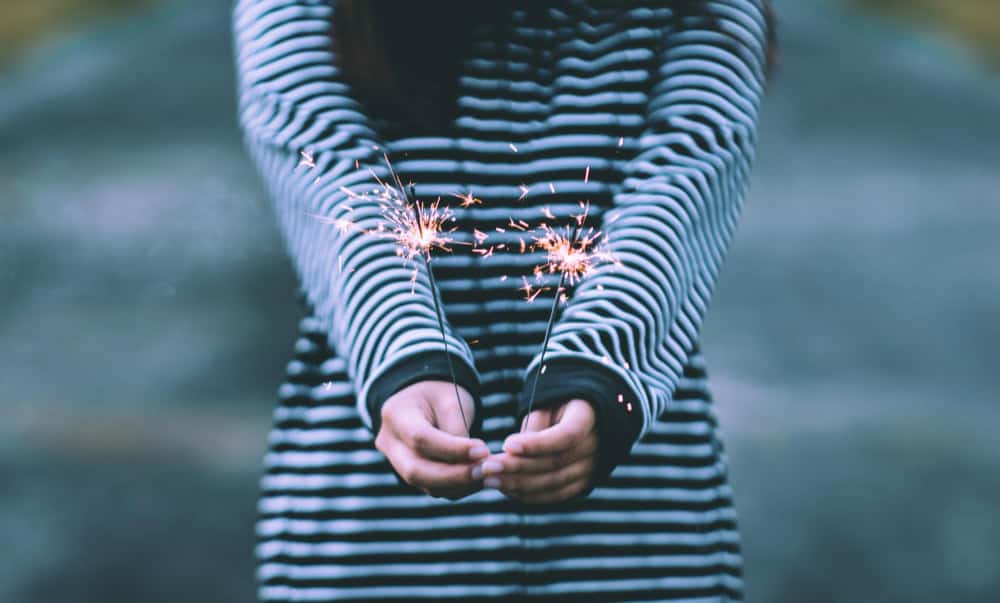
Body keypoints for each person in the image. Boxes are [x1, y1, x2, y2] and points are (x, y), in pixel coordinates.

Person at [234, 1, 773, 600]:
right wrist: (408, 355)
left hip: (637, 543)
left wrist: (595, 368)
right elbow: (330, 176)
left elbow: (685, 176)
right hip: (375, 545)